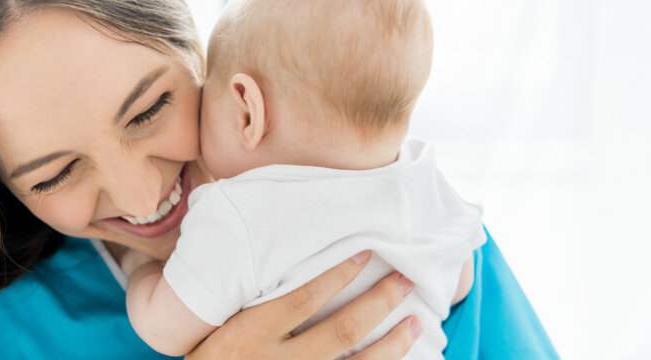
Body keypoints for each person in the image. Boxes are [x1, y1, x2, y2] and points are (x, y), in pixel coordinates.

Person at [0, 0, 558, 359]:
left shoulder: (418, 232)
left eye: (149, 109)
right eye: (56, 174)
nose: (144, 197)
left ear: (200, 54)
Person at [123, 0, 481, 358]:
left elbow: (163, 330)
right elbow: (460, 283)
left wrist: (140, 270)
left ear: (247, 111)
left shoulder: (239, 213)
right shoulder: (424, 176)